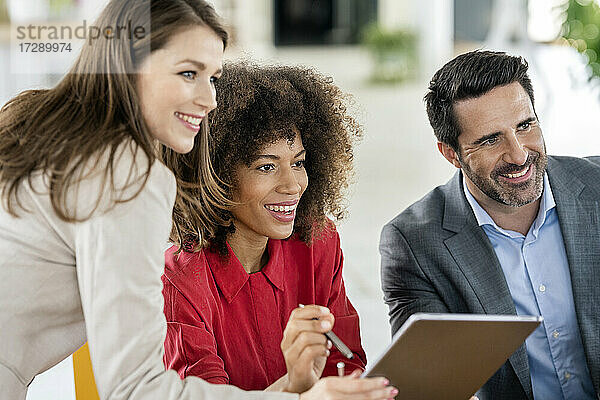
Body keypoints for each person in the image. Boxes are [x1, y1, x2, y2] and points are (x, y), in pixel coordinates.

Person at [0, 1, 394, 399]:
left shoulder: (49, 134)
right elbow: (134, 388)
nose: (209, 100)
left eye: (213, 76)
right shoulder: (125, 173)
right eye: (189, 73)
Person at [379, 50, 599, 400]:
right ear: (451, 153)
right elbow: (425, 387)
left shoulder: (596, 189)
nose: (519, 154)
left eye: (525, 126)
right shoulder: (415, 243)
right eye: (490, 139)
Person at [162, 62, 380, 395]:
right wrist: (295, 386)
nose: (293, 185)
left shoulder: (317, 242)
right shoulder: (180, 283)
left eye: (298, 162)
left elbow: (347, 366)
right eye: (267, 167)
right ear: (215, 176)